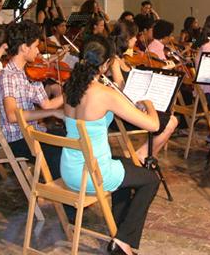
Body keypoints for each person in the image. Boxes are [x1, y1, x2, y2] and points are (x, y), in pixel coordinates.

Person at [62, 35, 160, 255]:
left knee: (124, 163)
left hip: (70, 170)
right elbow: (153, 125)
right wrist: (149, 103)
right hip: (93, 174)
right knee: (151, 180)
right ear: (105, 64)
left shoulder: (69, 87)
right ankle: (124, 241)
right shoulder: (104, 94)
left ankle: (118, 226)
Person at [0, 20, 65, 178]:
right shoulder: (8, 76)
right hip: (17, 139)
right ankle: (57, 196)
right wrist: (50, 113)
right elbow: (13, 116)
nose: (38, 52)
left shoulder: (31, 73)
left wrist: (70, 92)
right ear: (24, 47)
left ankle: (62, 193)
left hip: (31, 133)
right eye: (35, 47)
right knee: (59, 149)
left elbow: (47, 105)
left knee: (66, 136)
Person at [109, 20, 178, 161]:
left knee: (171, 120)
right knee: (170, 122)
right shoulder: (114, 60)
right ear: (125, 38)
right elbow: (120, 88)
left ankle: (144, 155)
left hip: (134, 106)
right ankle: (143, 156)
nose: (136, 39)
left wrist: (161, 71)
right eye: (133, 36)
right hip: (123, 112)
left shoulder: (124, 58)